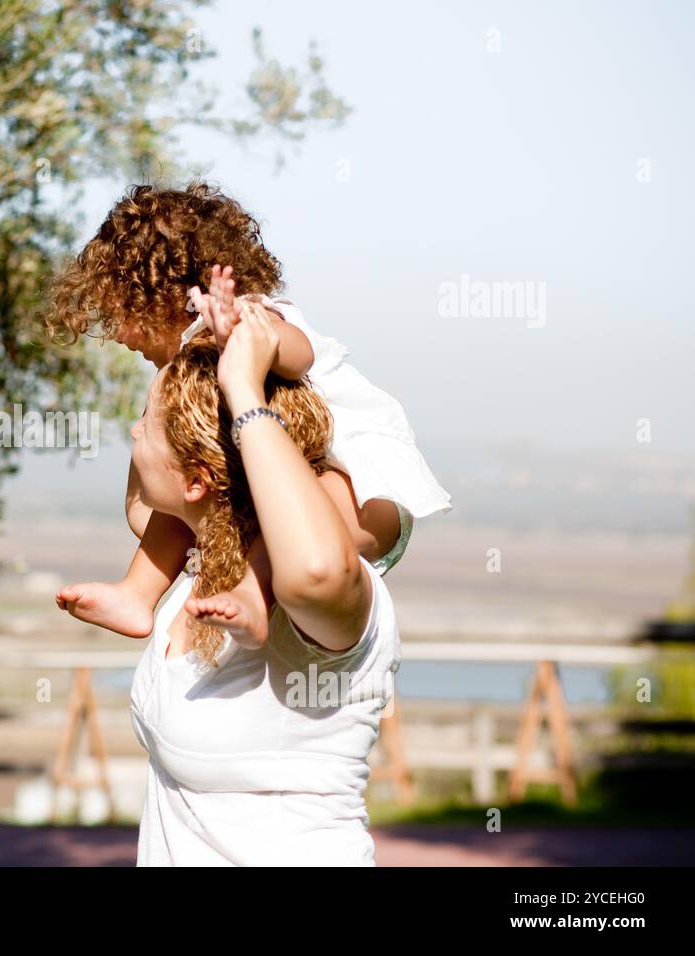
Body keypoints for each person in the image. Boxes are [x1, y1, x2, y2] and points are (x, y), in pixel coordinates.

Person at [50, 183, 450, 644]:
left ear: (157, 295)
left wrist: (243, 335)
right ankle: (138, 593)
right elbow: (158, 508)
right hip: (285, 480)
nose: (117, 334)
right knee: (193, 490)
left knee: (304, 499)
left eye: (118, 312)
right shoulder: (187, 373)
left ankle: (255, 597)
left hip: (361, 488)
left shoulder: (257, 313)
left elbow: (298, 356)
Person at [119, 304, 400, 865]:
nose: (132, 429)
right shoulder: (197, 570)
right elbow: (140, 508)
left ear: (197, 480)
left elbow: (319, 569)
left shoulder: (318, 594)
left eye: (146, 422)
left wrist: (244, 391)